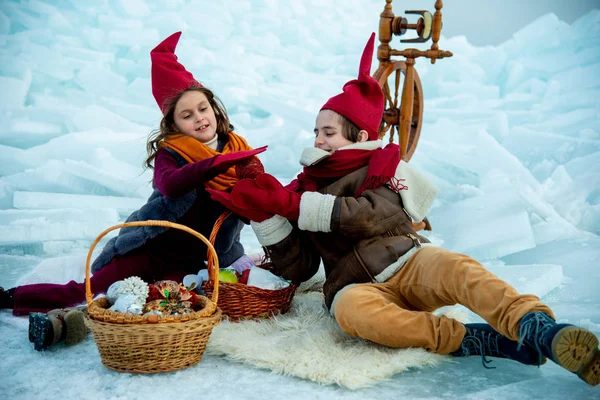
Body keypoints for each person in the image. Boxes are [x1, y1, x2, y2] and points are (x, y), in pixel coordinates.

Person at [207, 33, 599, 386]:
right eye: (316, 132)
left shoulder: (384, 168)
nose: (318, 140)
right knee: (352, 315)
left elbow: (369, 215)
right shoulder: (306, 186)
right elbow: (302, 268)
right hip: (354, 286)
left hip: (409, 262)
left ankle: (539, 329)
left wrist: (289, 203)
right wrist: (265, 215)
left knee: (462, 270)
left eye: (328, 132)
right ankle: (474, 340)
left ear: (359, 136)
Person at [0, 32, 266, 351]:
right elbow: (169, 185)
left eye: (203, 108)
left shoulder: (239, 150)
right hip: (150, 249)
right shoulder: (172, 153)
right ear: (174, 125)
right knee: (93, 290)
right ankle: (12, 297)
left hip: (201, 261)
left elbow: (261, 199)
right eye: (187, 115)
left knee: (159, 304)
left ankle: (68, 324)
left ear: (214, 109)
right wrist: (214, 166)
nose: (199, 118)